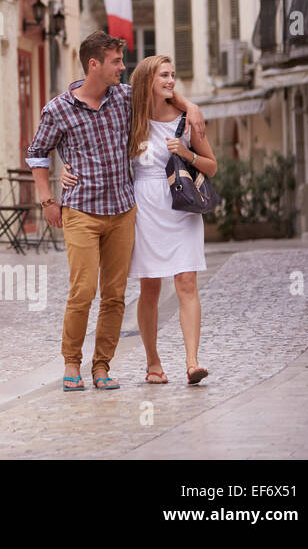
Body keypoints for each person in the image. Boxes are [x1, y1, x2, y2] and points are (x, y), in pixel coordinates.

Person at [26, 32, 204, 392]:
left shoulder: (124, 97)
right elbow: (37, 153)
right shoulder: (58, 109)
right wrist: (47, 200)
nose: (124, 68)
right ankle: (72, 363)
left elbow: (161, 90)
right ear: (95, 64)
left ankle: (102, 366)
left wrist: (192, 107)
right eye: (117, 62)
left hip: (123, 210)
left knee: (115, 294)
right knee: (83, 289)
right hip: (80, 211)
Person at [63, 55, 215, 385]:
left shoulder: (186, 120)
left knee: (187, 283)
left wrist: (187, 150)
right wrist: (66, 168)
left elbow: (211, 165)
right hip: (144, 206)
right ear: (148, 80)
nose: (171, 80)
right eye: (164, 75)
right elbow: (90, 138)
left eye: (173, 75)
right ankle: (153, 363)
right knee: (149, 288)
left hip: (181, 205)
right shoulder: (130, 117)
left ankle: (192, 362)